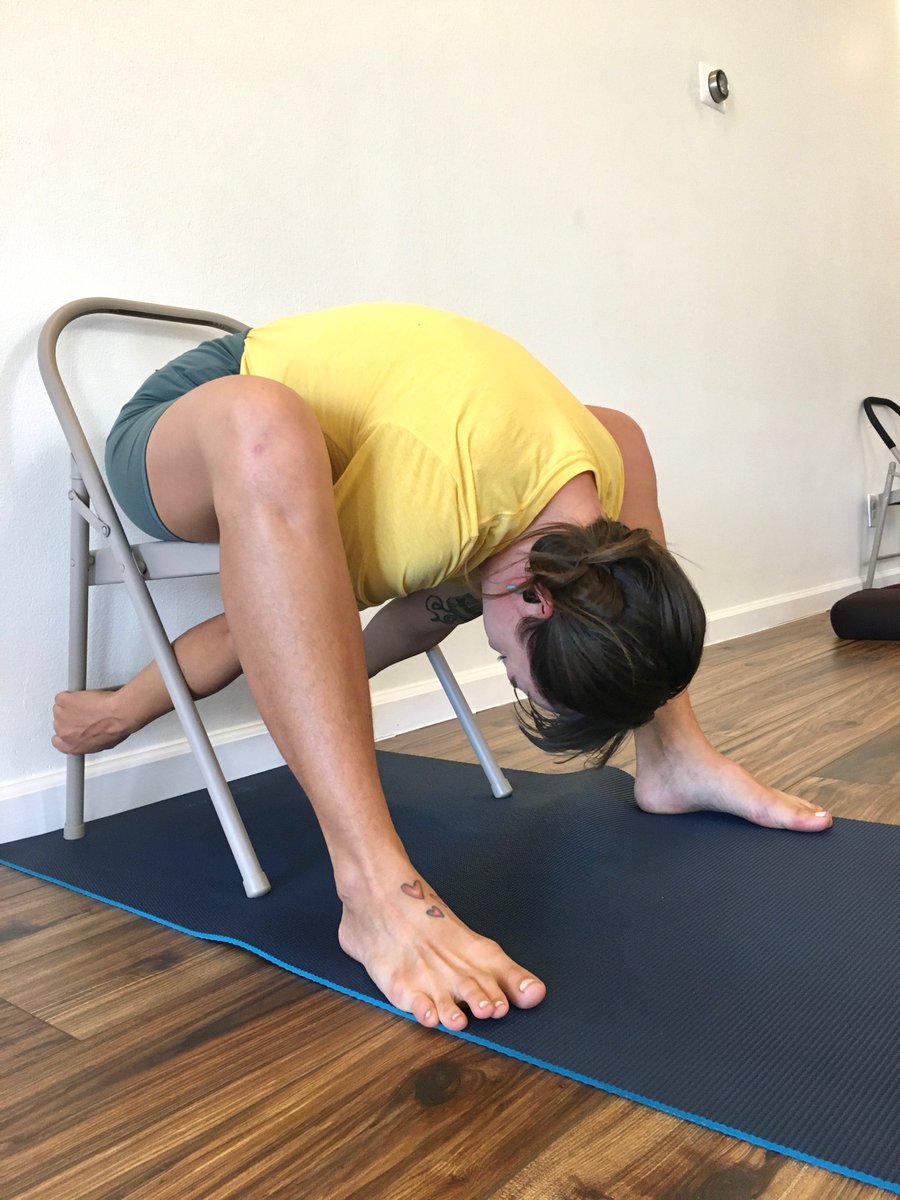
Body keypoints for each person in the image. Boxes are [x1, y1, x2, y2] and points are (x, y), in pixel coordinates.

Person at [52, 303, 832, 1032]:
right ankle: (372, 890)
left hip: (384, 423)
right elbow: (256, 631)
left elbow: (380, 636)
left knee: (618, 432)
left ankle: (673, 754)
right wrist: (122, 710)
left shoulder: (586, 499)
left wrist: (341, 677)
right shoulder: (422, 513)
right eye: (510, 665)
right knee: (263, 423)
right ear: (533, 598)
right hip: (190, 407)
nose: (503, 664)